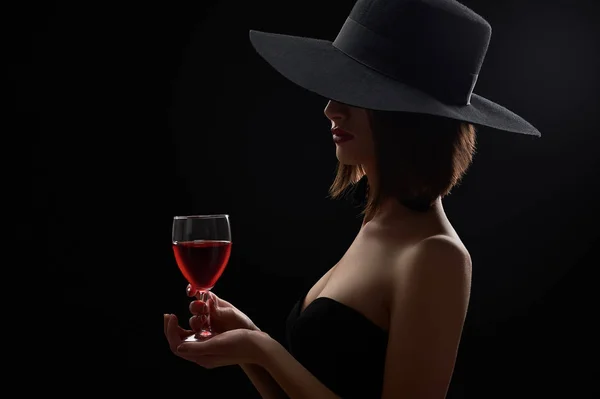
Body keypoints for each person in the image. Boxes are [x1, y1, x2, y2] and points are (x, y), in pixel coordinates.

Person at [164, 0, 541, 398]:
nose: (332, 109)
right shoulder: (377, 223)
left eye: (357, 92)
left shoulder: (437, 255)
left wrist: (263, 350)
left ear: (409, 118)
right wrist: (250, 342)